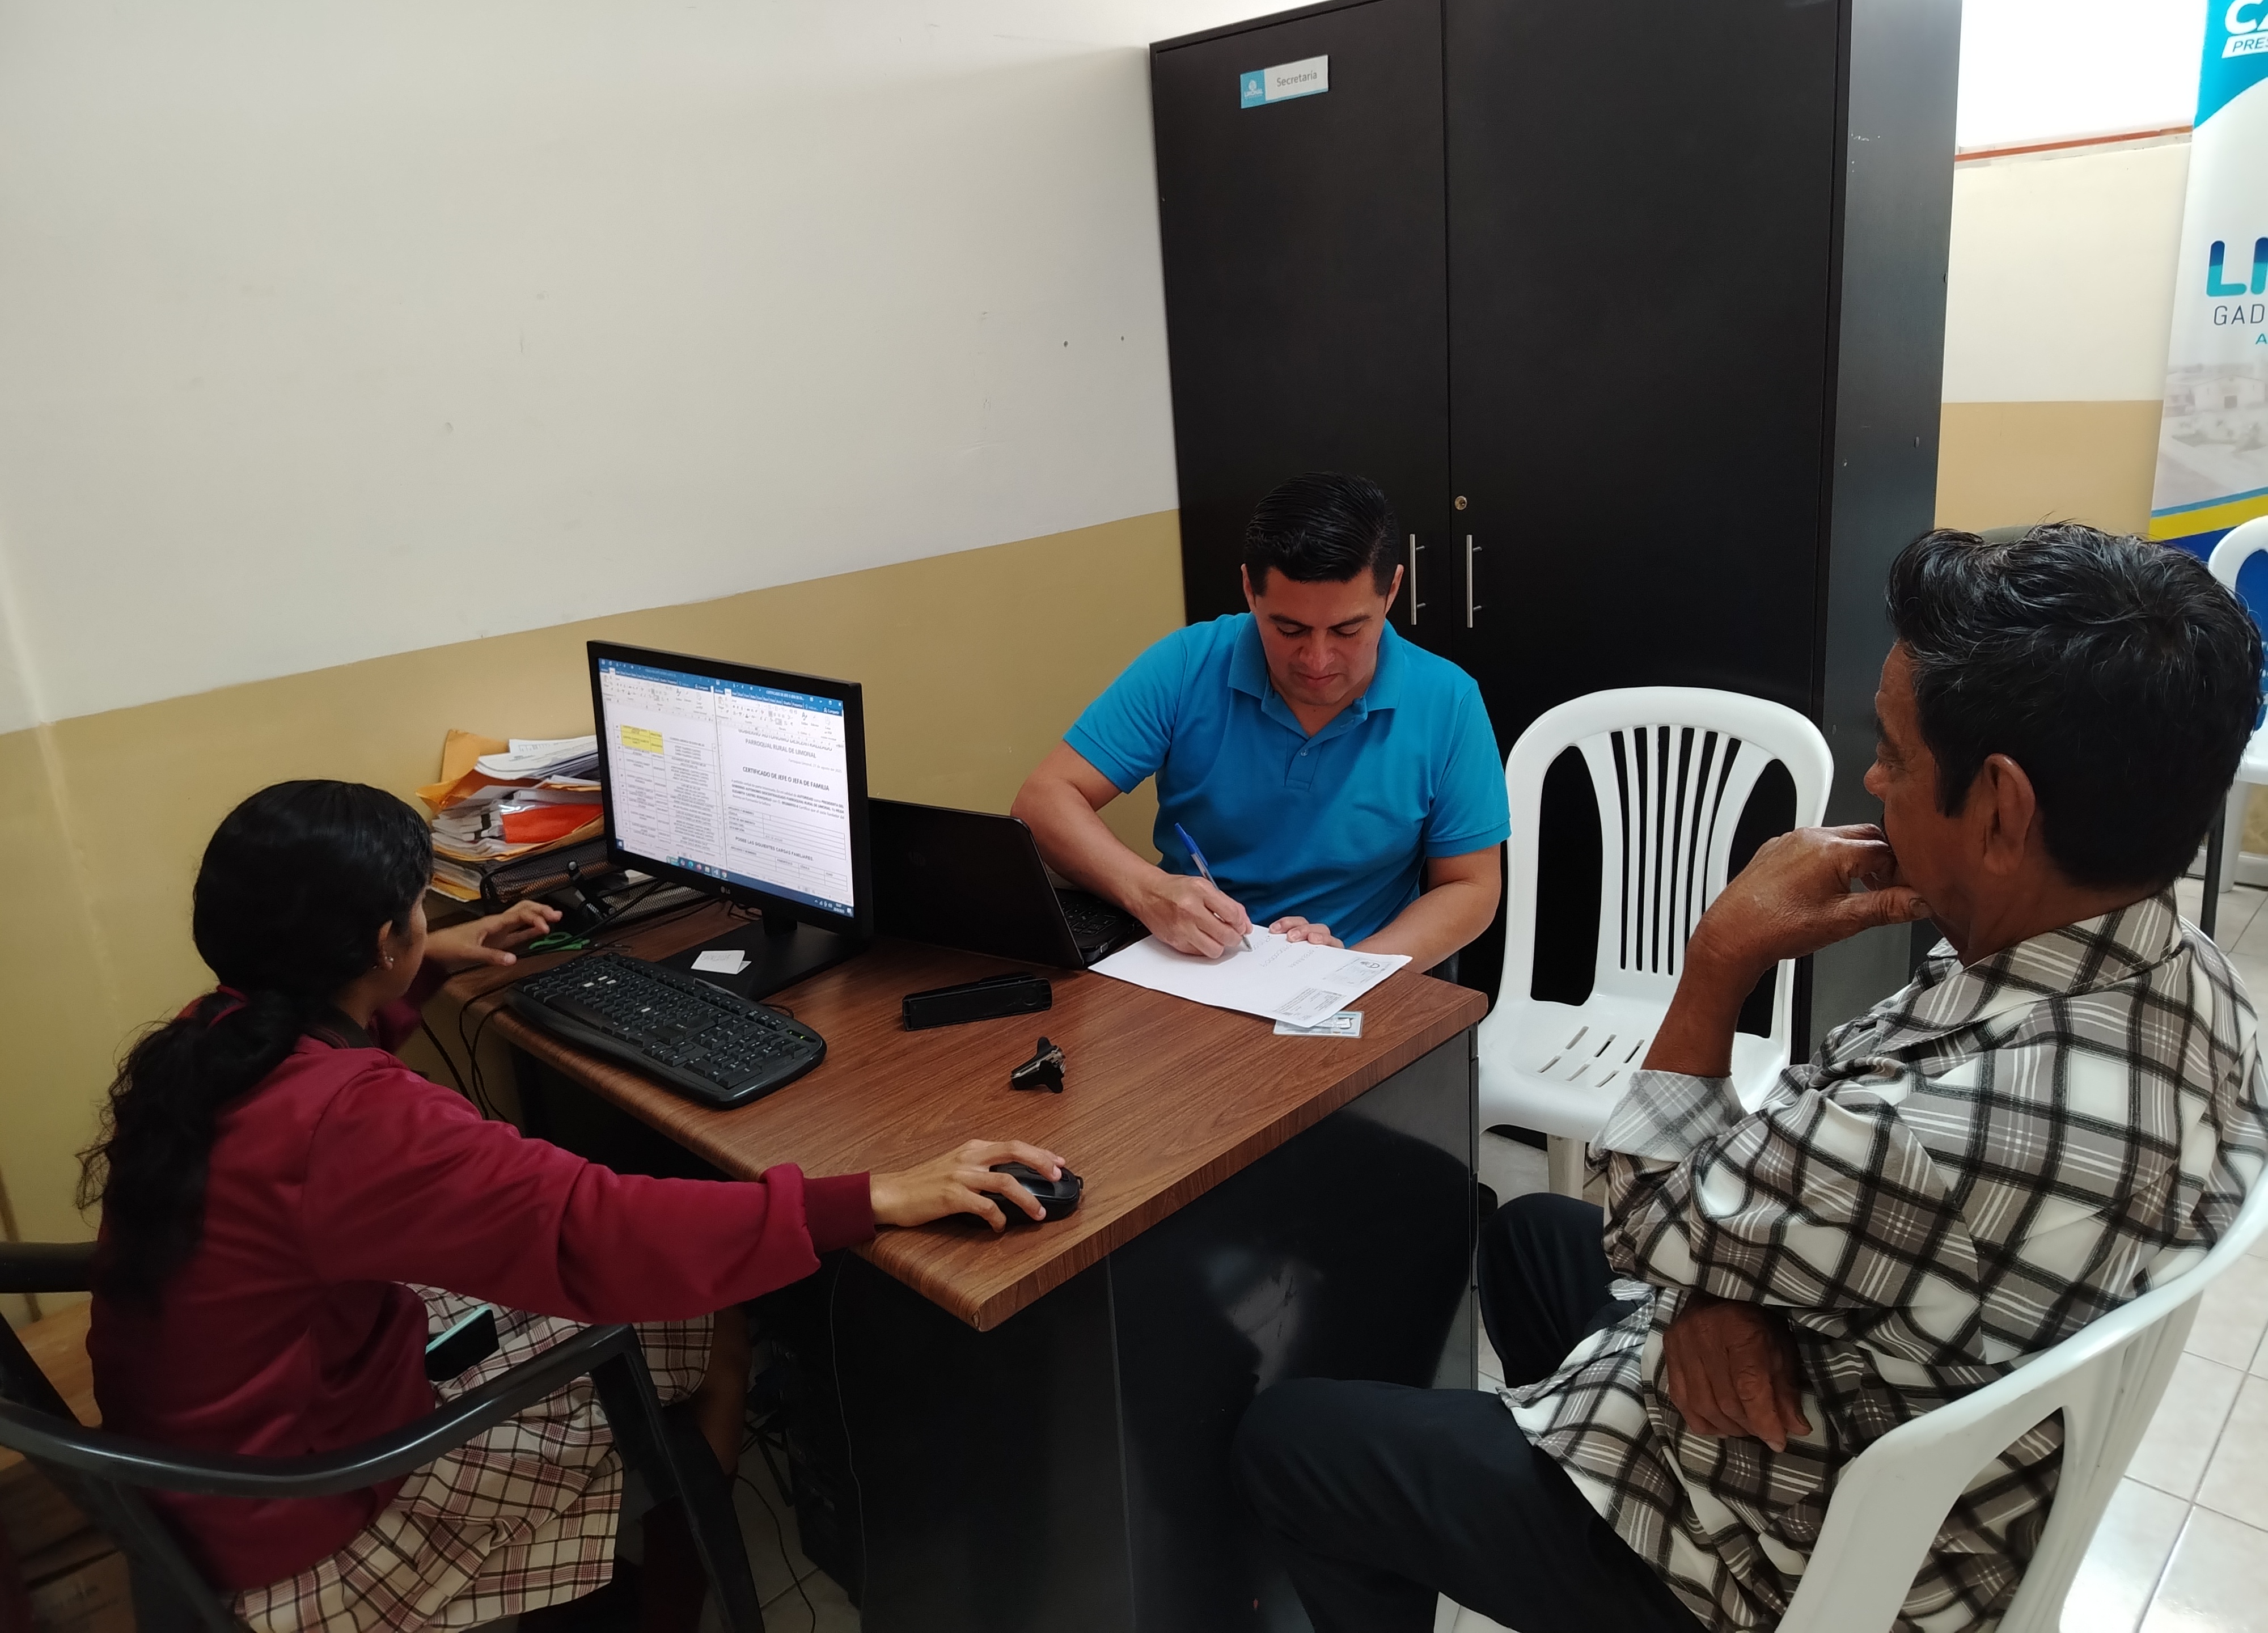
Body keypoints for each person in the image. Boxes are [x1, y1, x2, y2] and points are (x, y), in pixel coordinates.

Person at [1232, 523, 2268, 1633]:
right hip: (1893, 1408)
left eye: (1895, 755)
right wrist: (1708, 1291)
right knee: (1531, 1235)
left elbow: (1657, 1213)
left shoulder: (1934, 1133)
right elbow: (1771, 1173)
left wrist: (1719, 958)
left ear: (2003, 810)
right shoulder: (2191, 976)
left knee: (1295, 1444)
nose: (1871, 781)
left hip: (1784, 1560)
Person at [80, 779, 1070, 1633]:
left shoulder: (216, 1033)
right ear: (382, 941)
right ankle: (663, 1610)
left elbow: (334, 1088)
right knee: (708, 1316)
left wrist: (429, 959)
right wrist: (875, 1193)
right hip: (303, 1511)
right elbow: (595, 1229)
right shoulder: (354, 1121)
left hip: (208, 1464)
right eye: (417, 912)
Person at [1013, 472, 1508, 972]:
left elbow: (1472, 886)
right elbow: (1044, 799)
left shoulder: (1448, 701)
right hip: (1195, 964)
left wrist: (1348, 970)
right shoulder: (1188, 665)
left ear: (1392, 590)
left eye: (1347, 630)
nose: (1317, 660)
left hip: (1364, 966)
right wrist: (1150, 891)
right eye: (1289, 629)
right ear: (1250, 589)